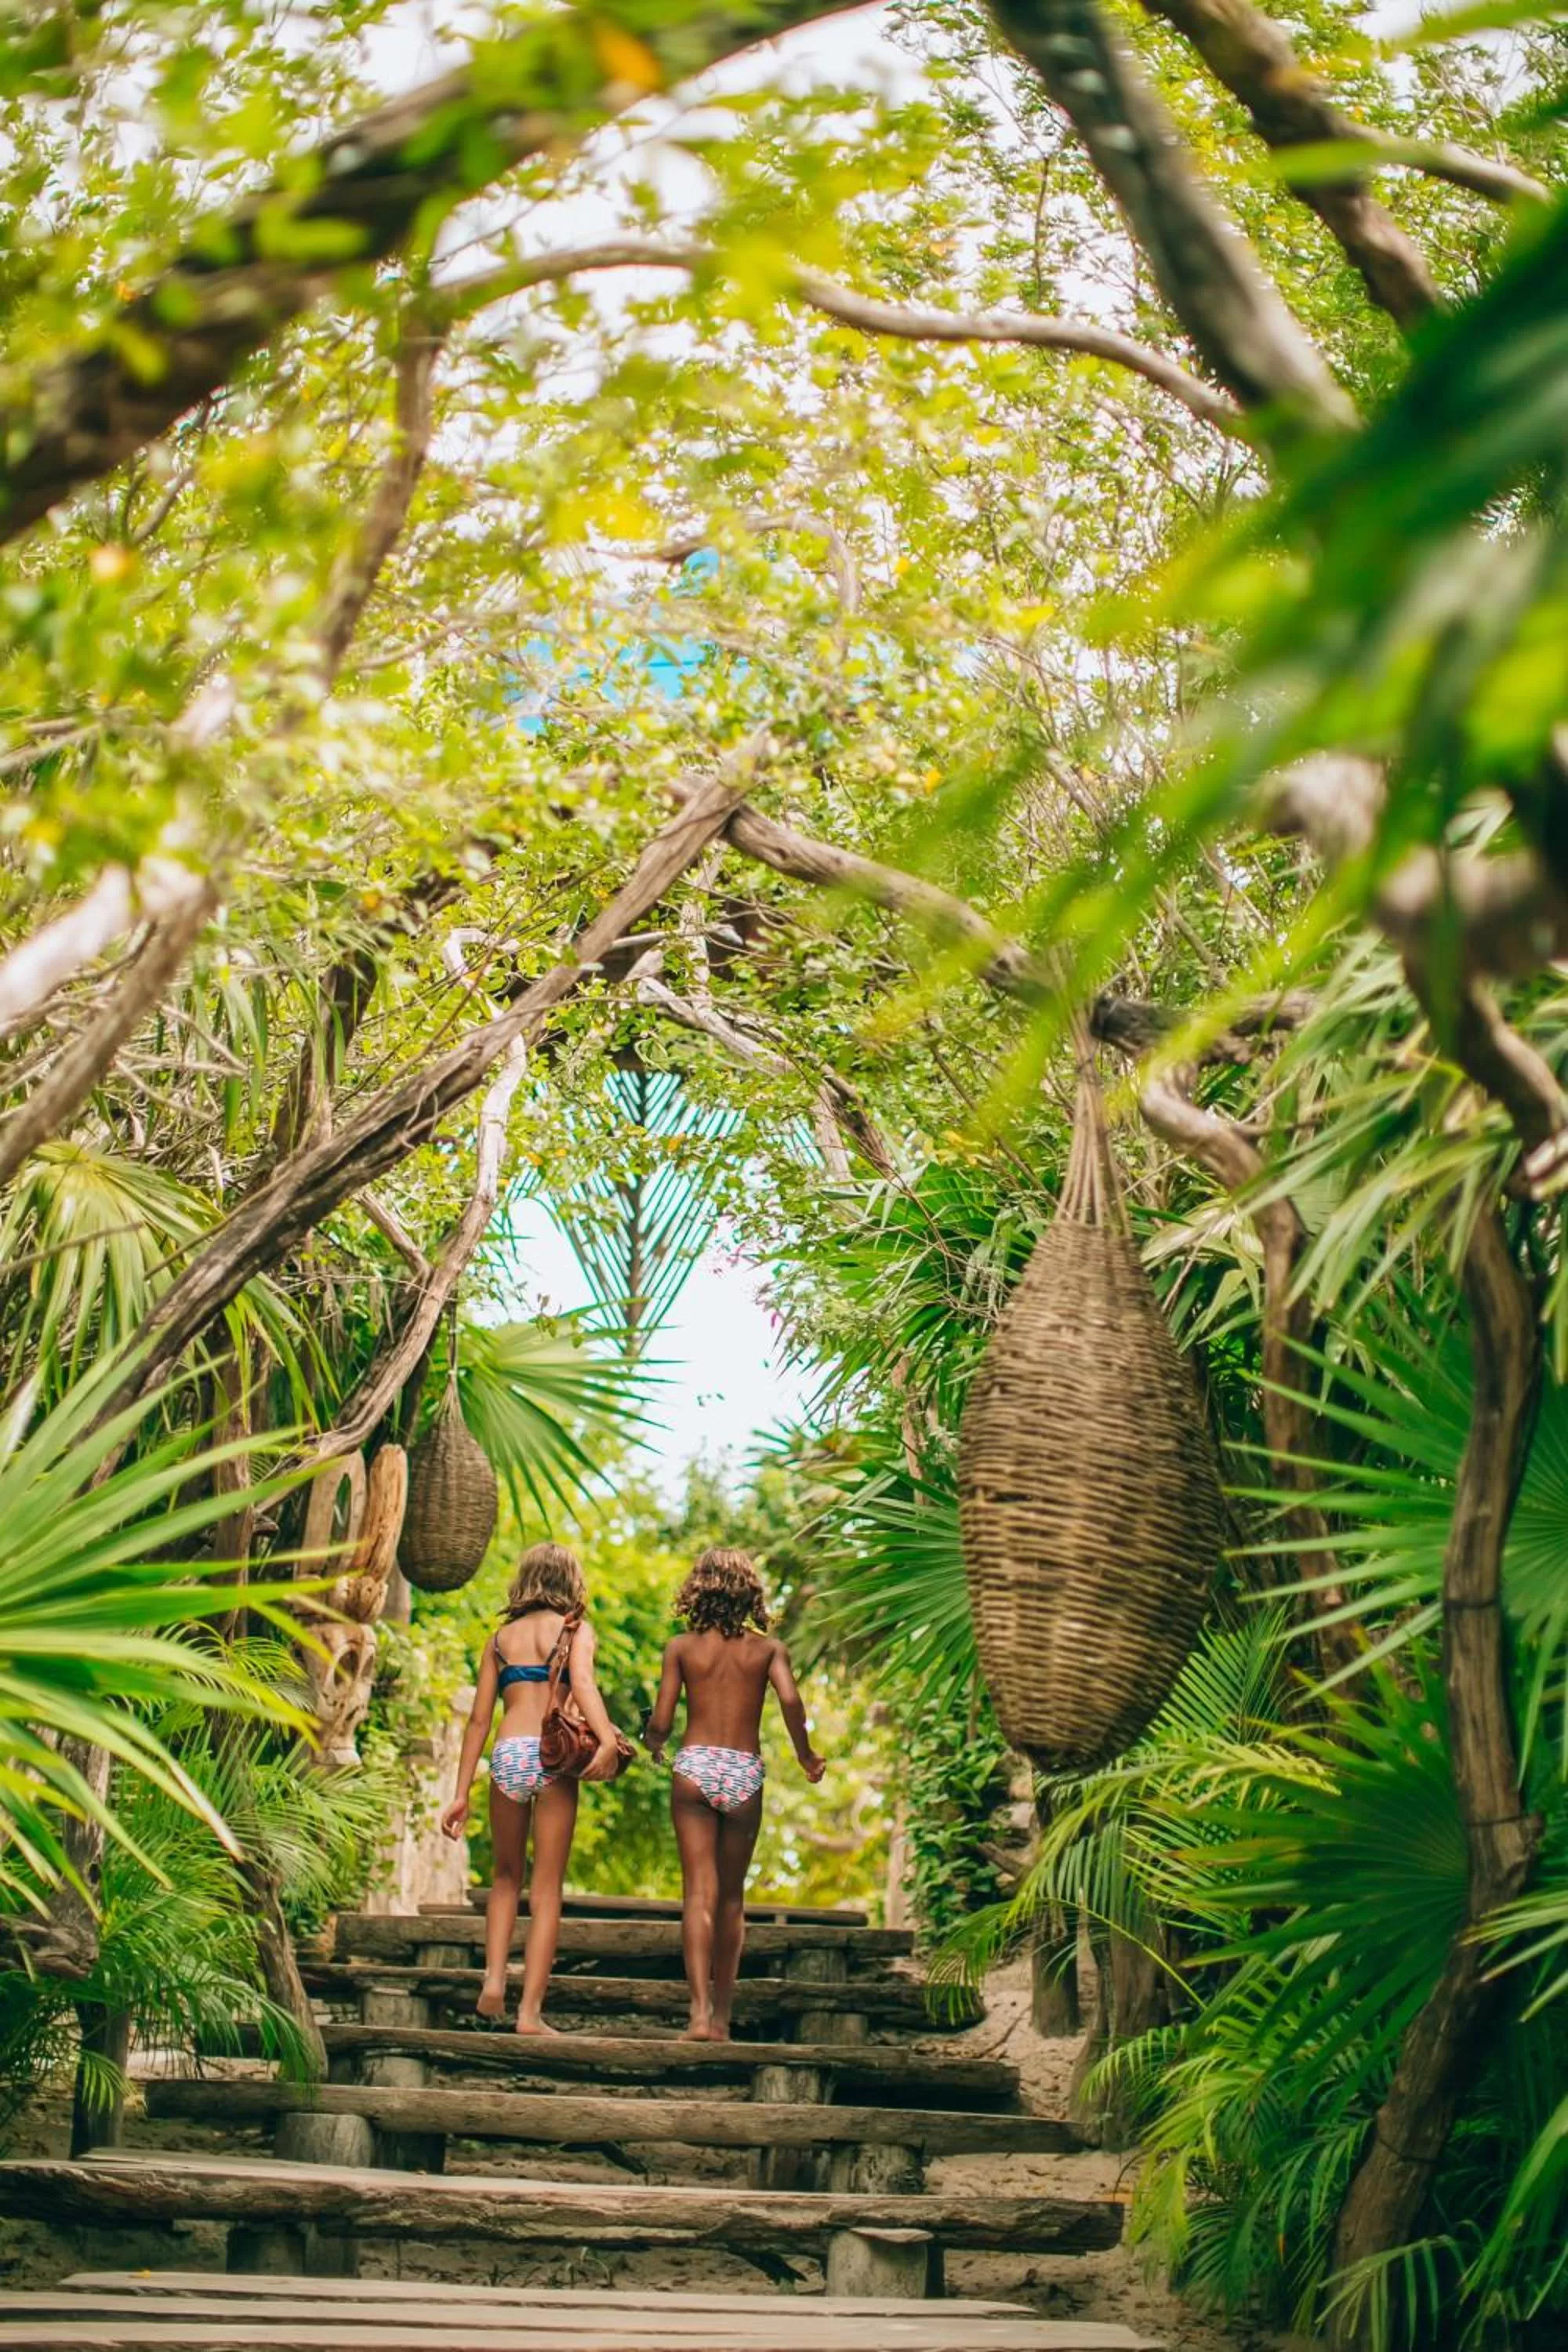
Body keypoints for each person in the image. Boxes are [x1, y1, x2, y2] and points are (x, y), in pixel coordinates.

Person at [441, 1541, 623, 2035]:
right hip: (552, 1757)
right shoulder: (576, 1629)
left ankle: (494, 1980)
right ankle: (529, 2015)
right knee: (545, 1891)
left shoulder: (500, 1639)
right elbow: (581, 1683)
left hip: (508, 1755)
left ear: (526, 1581)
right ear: (571, 1582)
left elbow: (479, 1720)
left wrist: (460, 1792)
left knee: (504, 1878)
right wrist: (607, 1739)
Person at [644, 1548, 826, 2041]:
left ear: (698, 1591)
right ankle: (723, 2019)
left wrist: (652, 1745)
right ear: (750, 1594)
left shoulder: (680, 1649)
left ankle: (697, 2016)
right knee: (731, 1900)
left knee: (698, 1894)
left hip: (696, 1768)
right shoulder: (768, 1651)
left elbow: (662, 1721)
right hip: (744, 1770)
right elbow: (790, 1700)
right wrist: (806, 1756)